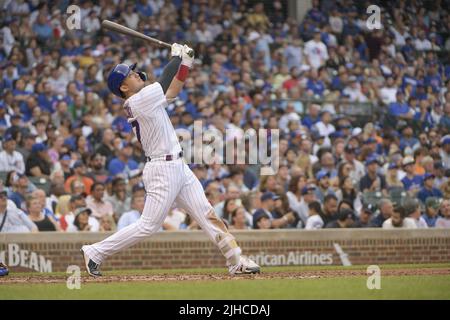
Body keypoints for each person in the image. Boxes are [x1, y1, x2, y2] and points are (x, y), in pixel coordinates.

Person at [81, 44, 260, 276]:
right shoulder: (137, 100)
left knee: (207, 214)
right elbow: (166, 80)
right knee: (148, 226)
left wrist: (185, 63)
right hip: (162, 169)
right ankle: (95, 251)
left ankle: (236, 261)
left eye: (134, 71)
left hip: (177, 165)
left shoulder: (147, 98)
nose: (135, 74)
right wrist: (177, 58)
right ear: (123, 86)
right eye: (130, 74)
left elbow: (172, 90)